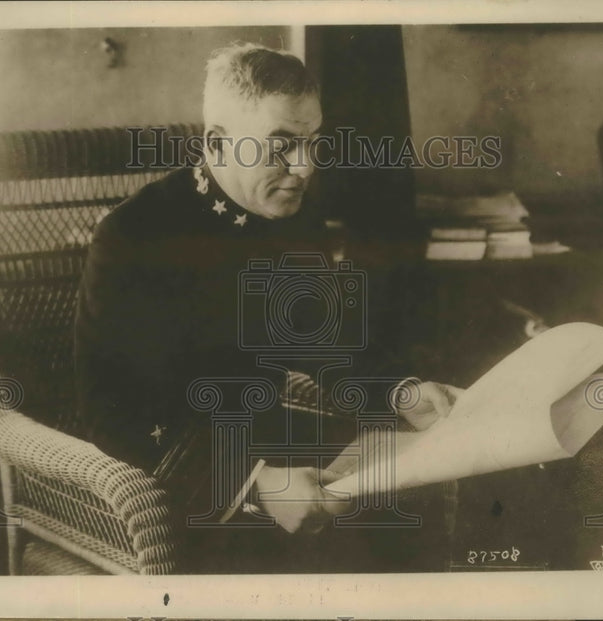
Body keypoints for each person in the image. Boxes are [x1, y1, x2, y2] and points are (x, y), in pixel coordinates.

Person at [73, 42, 461, 572]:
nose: (305, 167)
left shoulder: (293, 215)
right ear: (218, 143)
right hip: (165, 484)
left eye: (312, 142)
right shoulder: (134, 237)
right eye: (281, 146)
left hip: (271, 446)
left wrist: (401, 391)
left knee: (416, 506)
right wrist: (254, 481)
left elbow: (326, 341)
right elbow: (113, 415)